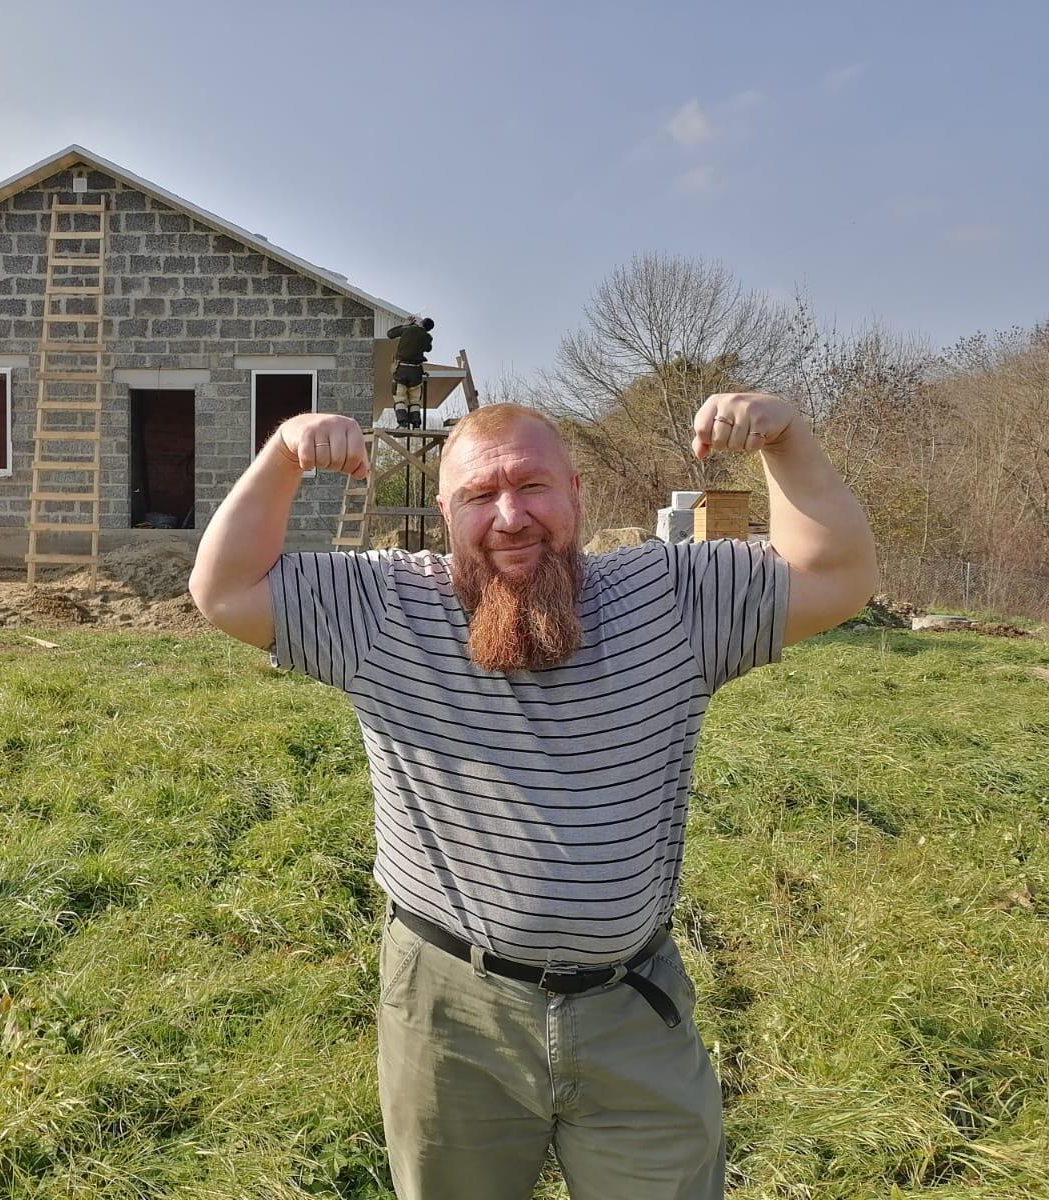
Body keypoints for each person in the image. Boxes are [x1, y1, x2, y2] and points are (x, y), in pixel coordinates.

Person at [188, 394, 877, 1199]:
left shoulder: (675, 598)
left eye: (533, 488)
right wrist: (284, 457)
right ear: (445, 512)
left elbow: (838, 574)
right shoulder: (385, 609)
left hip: (632, 1010)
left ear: (577, 493)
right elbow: (225, 589)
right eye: (480, 497)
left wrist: (786, 440)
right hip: (452, 1015)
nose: (510, 518)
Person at [387, 316, 435, 427]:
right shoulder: (427, 337)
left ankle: (403, 423)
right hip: (416, 372)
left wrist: (406, 324)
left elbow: (390, 334)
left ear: (421, 322)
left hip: (401, 370)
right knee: (415, 401)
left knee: (400, 399)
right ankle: (416, 424)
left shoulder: (407, 329)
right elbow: (428, 348)